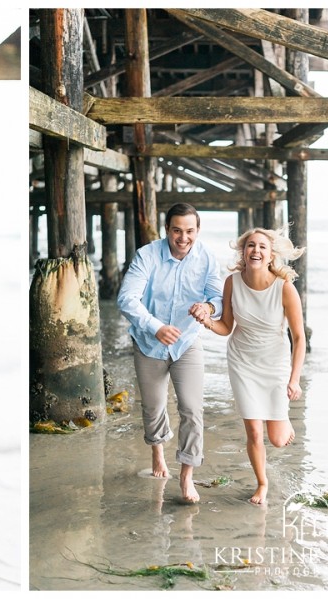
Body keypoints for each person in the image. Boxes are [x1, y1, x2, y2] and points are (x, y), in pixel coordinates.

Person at [117, 203, 223, 503]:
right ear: (167, 230)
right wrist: (155, 326)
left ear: (198, 231)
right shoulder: (147, 255)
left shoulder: (206, 259)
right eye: (177, 230)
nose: (183, 237)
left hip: (187, 342)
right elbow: (127, 299)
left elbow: (218, 298)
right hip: (149, 343)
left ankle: (187, 475)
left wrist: (209, 308)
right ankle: (158, 451)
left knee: (192, 408)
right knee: (153, 407)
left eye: (190, 231)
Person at [196, 227, 305, 505]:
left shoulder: (285, 288)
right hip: (242, 361)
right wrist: (206, 321)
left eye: (262, 247)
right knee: (254, 431)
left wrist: (294, 380)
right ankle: (262, 483)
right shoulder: (232, 282)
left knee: (278, 440)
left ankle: (282, 417)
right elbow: (227, 327)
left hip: (274, 363)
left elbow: (299, 338)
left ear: (270, 256)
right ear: (244, 252)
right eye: (250, 246)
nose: (255, 250)